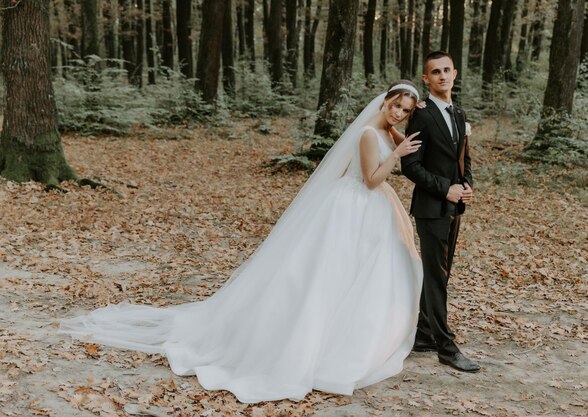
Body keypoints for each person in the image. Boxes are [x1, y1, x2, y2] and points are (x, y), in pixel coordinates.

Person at [60, 81, 425, 403]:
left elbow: (397, 143)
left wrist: (412, 122)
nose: (399, 114)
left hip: (367, 211)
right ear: (383, 101)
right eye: (395, 105)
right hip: (355, 204)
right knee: (325, 274)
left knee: (357, 275)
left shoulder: (385, 131)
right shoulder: (367, 134)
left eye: (406, 111)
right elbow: (373, 180)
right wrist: (395, 154)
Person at [401, 51, 480, 373]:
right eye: (436, 72)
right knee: (436, 276)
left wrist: (467, 184)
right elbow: (410, 166)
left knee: (442, 272)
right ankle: (446, 348)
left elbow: (463, 158)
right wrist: (443, 188)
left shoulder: (458, 113)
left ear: (455, 73)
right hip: (431, 207)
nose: (443, 76)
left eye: (447, 70)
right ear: (426, 79)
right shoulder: (421, 115)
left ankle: (423, 334)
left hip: (455, 205)